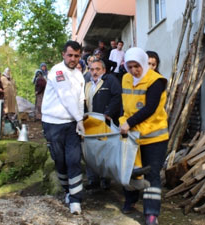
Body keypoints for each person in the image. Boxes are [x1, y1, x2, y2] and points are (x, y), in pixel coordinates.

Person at [119, 47, 169, 225]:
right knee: (129, 171)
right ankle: (130, 200)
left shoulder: (156, 81)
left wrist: (129, 123)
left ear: (143, 63)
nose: (134, 70)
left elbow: (150, 108)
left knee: (151, 174)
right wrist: (120, 120)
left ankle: (151, 213)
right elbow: (123, 102)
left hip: (153, 136)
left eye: (137, 66)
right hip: (131, 134)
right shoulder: (125, 78)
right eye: (130, 67)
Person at [41, 40, 85, 215]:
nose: (73, 59)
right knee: (60, 161)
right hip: (53, 123)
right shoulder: (57, 71)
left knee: (74, 160)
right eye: (70, 55)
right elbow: (65, 96)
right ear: (63, 54)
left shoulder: (80, 75)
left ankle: (76, 200)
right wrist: (79, 119)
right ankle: (68, 191)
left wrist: (80, 120)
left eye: (76, 56)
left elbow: (80, 100)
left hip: (72, 123)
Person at [84, 59, 122, 190]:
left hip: (104, 122)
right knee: (90, 151)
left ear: (104, 70)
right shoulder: (87, 84)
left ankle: (105, 180)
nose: (94, 72)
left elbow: (117, 97)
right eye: (92, 69)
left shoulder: (110, 80)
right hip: (90, 123)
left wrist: (108, 113)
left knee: (104, 151)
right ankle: (93, 181)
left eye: (97, 69)